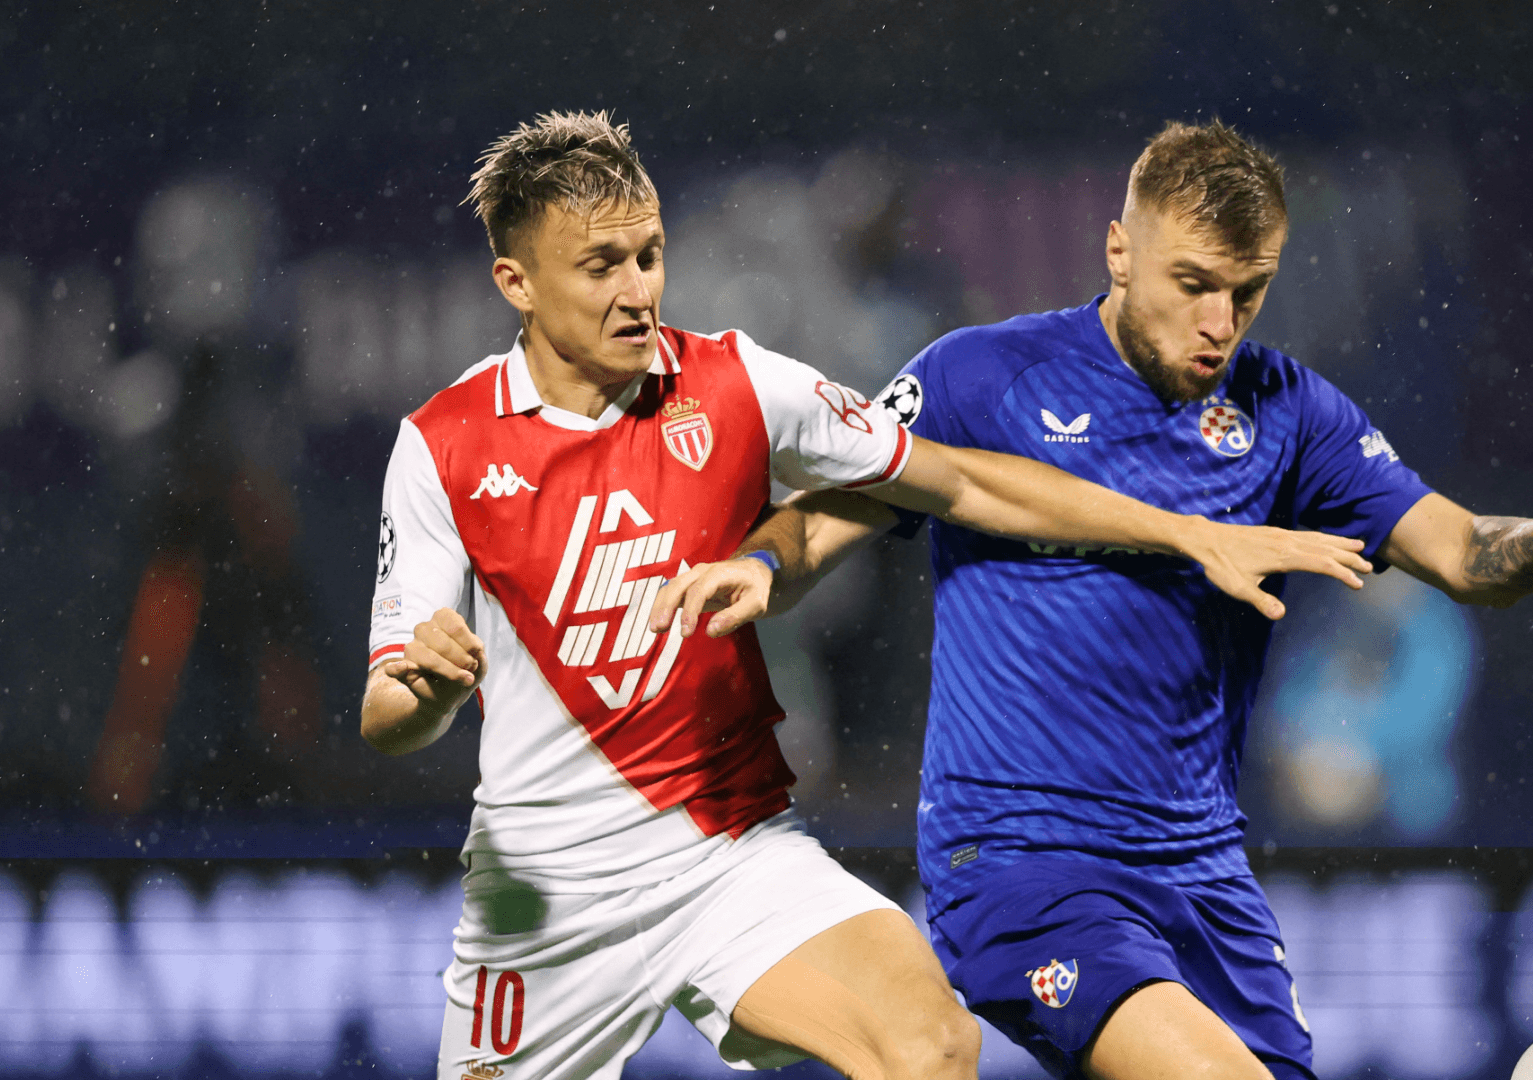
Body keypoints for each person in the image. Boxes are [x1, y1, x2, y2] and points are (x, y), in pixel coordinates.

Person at [361, 111, 1339, 1080]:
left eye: (649, 256)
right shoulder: (442, 446)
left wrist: (1186, 533)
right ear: (517, 282)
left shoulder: (736, 383)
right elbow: (387, 715)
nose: (637, 291)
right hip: (547, 885)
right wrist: (430, 692)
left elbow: (964, 481)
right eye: (600, 267)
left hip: (728, 854)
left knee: (930, 1041)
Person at [655, 120, 1533, 1080]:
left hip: (1206, 880)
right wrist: (766, 564)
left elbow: (1469, 556)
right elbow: (823, 518)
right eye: (1193, 283)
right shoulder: (979, 378)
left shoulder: (1293, 414)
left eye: (1248, 291)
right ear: (1119, 250)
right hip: (1024, 865)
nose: (1219, 323)